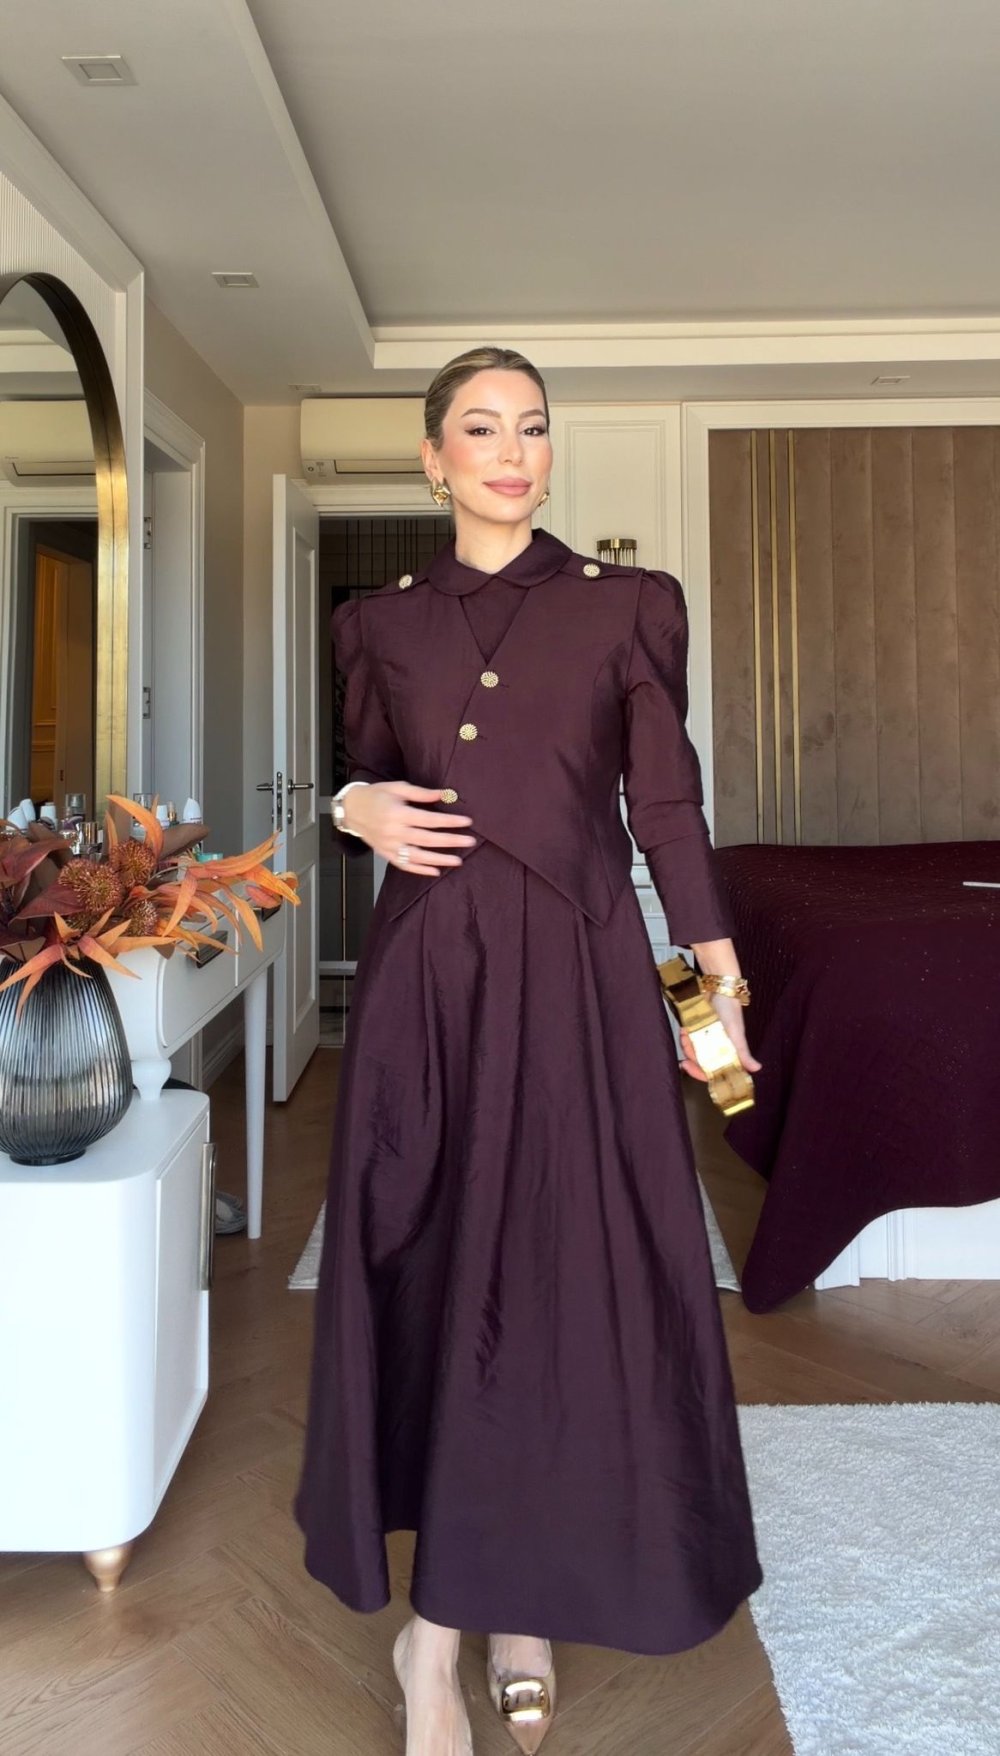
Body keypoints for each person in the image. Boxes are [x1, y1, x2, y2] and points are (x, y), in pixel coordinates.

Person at [295, 347, 763, 1755]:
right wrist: (350, 811)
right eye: (481, 428)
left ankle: (517, 1610)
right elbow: (368, 778)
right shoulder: (375, 623)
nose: (512, 451)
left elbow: (664, 809)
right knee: (436, 1274)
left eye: (534, 427)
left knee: (566, 1280)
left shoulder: (629, 605)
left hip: (581, 977)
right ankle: (431, 1643)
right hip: (428, 986)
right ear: (433, 460)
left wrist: (712, 980)